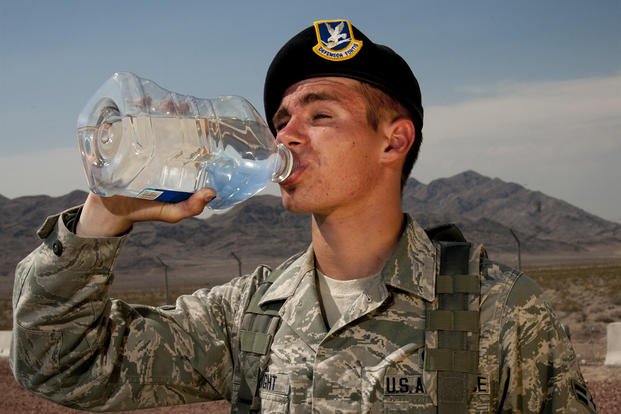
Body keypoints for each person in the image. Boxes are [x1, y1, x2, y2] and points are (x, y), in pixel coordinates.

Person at [11, 19, 596, 413]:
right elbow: (61, 364)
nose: (286, 135)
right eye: (282, 118)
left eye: (320, 115)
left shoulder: (498, 312)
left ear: (393, 142)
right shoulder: (248, 313)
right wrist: (104, 214)